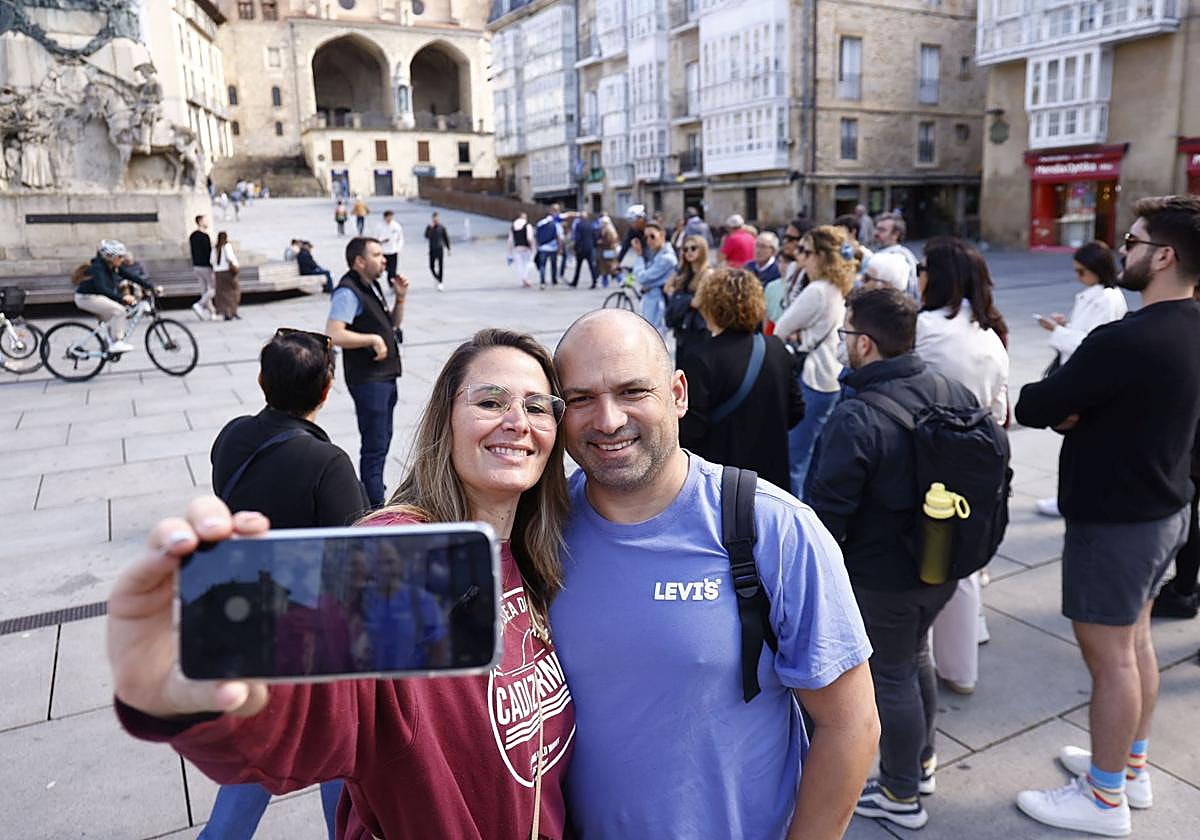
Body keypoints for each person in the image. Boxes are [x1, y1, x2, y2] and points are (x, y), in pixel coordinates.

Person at [107, 328, 577, 839]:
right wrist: (196, 693)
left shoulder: (539, 551)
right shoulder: (400, 554)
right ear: (446, 417)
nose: (517, 422)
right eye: (491, 401)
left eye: (538, 407)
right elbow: (319, 703)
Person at [550, 308, 878, 840]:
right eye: (582, 398)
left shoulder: (772, 529)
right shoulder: (542, 527)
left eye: (634, 391)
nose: (607, 420)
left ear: (678, 394)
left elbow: (851, 724)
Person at [1014, 196, 1200, 838]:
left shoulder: (1126, 338)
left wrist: (1077, 412)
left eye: (1134, 240)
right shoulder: (1190, 326)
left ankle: (1102, 797)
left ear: (1165, 256)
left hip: (1118, 519)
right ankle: (1130, 767)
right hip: (1164, 508)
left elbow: (1038, 403)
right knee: (1136, 642)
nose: (1124, 249)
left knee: (1112, 657)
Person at [808, 287, 982, 830]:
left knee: (890, 675)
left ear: (863, 344)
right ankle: (921, 762)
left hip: (883, 577)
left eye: (844, 336)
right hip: (941, 563)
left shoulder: (856, 415)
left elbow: (825, 515)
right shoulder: (949, 387)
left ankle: (902, 794)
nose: (842, 345)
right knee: (913, 660)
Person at [201, 329, 369, 839]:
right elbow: (357, 558)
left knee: (256, 753)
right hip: (313, 636)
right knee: (338, 753)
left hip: (250, 620)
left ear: (261, 380)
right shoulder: (329, 463)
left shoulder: (231, 435)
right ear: (327, 389)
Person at [914, 237, 1010, 695]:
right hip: (980, 460)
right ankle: (962, 667)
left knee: (928, 561)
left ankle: (929, 657)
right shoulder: (991, 334)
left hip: (930, 455)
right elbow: (1000, 409)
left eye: (923, 268)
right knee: (965, 563)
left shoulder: (926, 328)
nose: (918, 276)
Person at [677, 268, 804, 491]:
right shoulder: (776, 348)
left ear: (711, 306)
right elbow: (796, 411)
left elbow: (690, 430)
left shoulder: (699, 357)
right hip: (771, 476)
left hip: (723, 480)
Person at [1033, 241, 1128, 517]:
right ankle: (1070, 495)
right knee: (1078, 441)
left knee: (1082, 441)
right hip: (1082, 371)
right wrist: (1064, 327)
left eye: (1081, 271)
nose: (1078, 276)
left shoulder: (1107, 299)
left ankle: (1072, 497)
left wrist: (1058, 331)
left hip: (1089, 377)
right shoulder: (1094, 295)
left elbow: (1094, 342)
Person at [325, 237, 408, 508]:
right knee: (374, 446)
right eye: (376, 254)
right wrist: (371, 339)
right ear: (359, 261)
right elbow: (334, 333)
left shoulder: (370, 285)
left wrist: (401, 299)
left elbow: (391, 325)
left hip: (384, 376)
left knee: (382, 441)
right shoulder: (348, 291)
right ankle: (374, 506)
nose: (384, 259)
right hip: (369, 379)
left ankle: (374, 490)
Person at [774, 225, 856, 499]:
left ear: (821, 256)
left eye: (805, 251)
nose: (800, 257)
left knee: (794, 459)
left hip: (813, 379)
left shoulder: (817, 290)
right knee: (812, 457)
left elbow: (780, 329)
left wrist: (799, 333)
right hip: (829, 377)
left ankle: (794, 523)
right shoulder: (834, 286)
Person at [74, 239, 156, 353]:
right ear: (110, 257)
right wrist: (122, 298)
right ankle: (116, 343)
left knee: (113, 321)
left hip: (97, 296)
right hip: (86, 298)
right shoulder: (98, 267)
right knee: (119, 311)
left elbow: (131, 276)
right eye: (120, 257)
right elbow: (102, 289)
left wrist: (150, 286)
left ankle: (107, 344)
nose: (122, 259)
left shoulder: (113, 266)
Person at [664, 234, 712, 363]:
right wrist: (680, 265)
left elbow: (697, 302)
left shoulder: (707, 273)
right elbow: (667, 288)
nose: (689, 252)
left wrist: (679, 298)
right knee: (682, 367)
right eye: (685, 249)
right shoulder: (684, 273)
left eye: (693, 248)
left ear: (702, 250)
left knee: (695, 370)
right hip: (682, 328)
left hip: (699, 328)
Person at [629, 220, 677, 336]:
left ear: (662, 235)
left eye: (652, 236)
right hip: (652, 306)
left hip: (657, 309)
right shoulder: (657, 254)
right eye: (646, 237)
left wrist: (639, 256)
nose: (649, 241)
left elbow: (642, 278)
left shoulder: (666, 258)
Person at [874, 213, 919, 299]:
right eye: (876, 228)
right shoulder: (885, 253)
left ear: (895, 234)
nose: (876, 233)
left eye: (882, 230)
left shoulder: (898, 257)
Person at [190, 215, 215, 321]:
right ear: (200, 222)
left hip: (196, 266)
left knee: (204, 290)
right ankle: (199, 305)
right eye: (205, 220)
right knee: (214, 288)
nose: (207, 222)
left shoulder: (192, 236)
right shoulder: (204, 236)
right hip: (205, 266)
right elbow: (208, 254)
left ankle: (211, 312)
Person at [211, 231, 241, 321]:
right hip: (228, 272)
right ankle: (233, 311)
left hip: (218, 273)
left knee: (222, 294)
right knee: (233, 291)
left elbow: (211, 261)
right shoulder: (227, 246)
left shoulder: (214, 248)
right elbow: (230, 257)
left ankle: (226, 312)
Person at [569, 209, 598, 288]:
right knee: (591, 266)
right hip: (590, 248)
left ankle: (575, 282)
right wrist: (594, 245)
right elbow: (595, 236)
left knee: (578, 267)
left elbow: (577, 238)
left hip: (581, 249)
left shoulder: (579, 225)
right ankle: (594, 281)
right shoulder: (591, 224)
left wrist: (575, 247)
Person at [535, 209, 563, 288]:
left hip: (543, 248)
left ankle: (542, 282)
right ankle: (554, 281)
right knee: (553, 265)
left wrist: (537, 246)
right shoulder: (555, 224)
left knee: (542, 265)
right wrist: (560, 248)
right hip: (553, 248)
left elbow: (536, 235)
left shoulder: (540, 223)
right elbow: (559, 237)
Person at [423, 211, 451, 291]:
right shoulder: (429, 227)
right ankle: (437, 277)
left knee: (441, 266)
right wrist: (430, 229)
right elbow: (426, 236)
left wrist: (449, 249)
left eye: (437, 218)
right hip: (432, 249)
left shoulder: (442, 227)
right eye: (434, 218)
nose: (435, 219)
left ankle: (440, 282)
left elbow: (446, 238)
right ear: (432, 219)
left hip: (440, 248)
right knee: (431, 266)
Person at [507, 212, 535, 288]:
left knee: (520, 265)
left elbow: (510, 241)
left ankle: (523, 279)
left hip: (517, 249)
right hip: (526, 248)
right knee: (527, 264)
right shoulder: (527, 225)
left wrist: (509, 254)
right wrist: (533, 247)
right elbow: (530, 238)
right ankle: (525, 278)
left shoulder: (513, 226)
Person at [378, 210, 405, 282]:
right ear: (385, 217)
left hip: (393, 251)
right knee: (386, 268)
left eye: (391, 216)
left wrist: (398, 248)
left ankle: (392, 284)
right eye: (388, 217)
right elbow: (376, 238)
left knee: (393, 269)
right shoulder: (380, 226)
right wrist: (382, 240)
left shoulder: (396, 226)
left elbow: (400, 238)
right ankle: (391, 280)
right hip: (384, 251)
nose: (389, 218)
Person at [595, 214, 621, 287]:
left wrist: (601, 242)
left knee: (609, 266)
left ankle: (619, 279)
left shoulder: (609, 230)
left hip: (609, 250)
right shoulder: (607, 229)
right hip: (607, 250)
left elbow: (610, 241)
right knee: (605, 267)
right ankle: (605, 282)